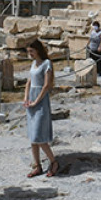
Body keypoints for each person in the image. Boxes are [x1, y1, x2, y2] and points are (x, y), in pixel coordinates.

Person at [23, 39, 58, 178]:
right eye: (28, 52)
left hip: (41, 101)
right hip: (31, 99)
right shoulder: (33, 63)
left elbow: (46, 85)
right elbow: (28, 82)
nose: (30, 54)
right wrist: (26, 98)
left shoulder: (46, 63)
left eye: (31, 51)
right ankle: (37, 166)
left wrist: (36, 102)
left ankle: (54, 162)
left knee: (39, 136)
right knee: (33, 137)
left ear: (38, 50)